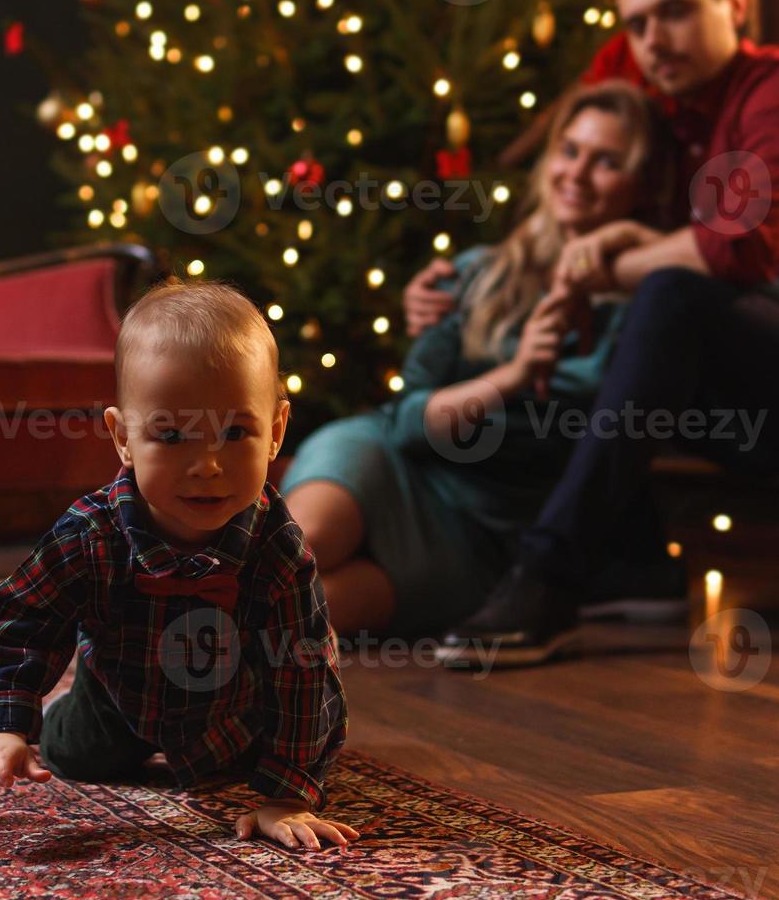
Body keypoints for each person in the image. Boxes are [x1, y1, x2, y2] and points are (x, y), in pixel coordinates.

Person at [423, 0, 779, 668]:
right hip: (752, 412)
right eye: (635, 24)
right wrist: (457, 284)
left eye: (673, 12)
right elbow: (572, 203)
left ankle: (545, 578)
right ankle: (626, 560)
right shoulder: (674, 117)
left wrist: (607, 262)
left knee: (670, 293)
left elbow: (738, 250)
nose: (652, 41)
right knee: (594, 347)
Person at [0, 281, 359, 853]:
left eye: (235, 432)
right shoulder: (90, 533)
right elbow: (22, 625)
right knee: (77, 756)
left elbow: (303, 672)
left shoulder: (279, 549)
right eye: (171, 435)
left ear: (276, 433)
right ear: (123, 438)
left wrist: (287, 794)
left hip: (235, 711)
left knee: (257, 748)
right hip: (116, 696)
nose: (207, 465)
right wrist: (3, 730)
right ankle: (70, 719)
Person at [281, 80, 684, 649]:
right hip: (390, 461)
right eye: (569, 151)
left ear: (641, 185)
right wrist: (514, 376)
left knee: (308, 614)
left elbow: (766, 304)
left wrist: (640, 242)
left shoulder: (650, 317)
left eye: (608, 162)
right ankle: (149, 663)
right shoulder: (478, 273)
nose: (577, 173)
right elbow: (406, 423)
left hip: (479, 539)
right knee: (301, 555)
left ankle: (175, 670)